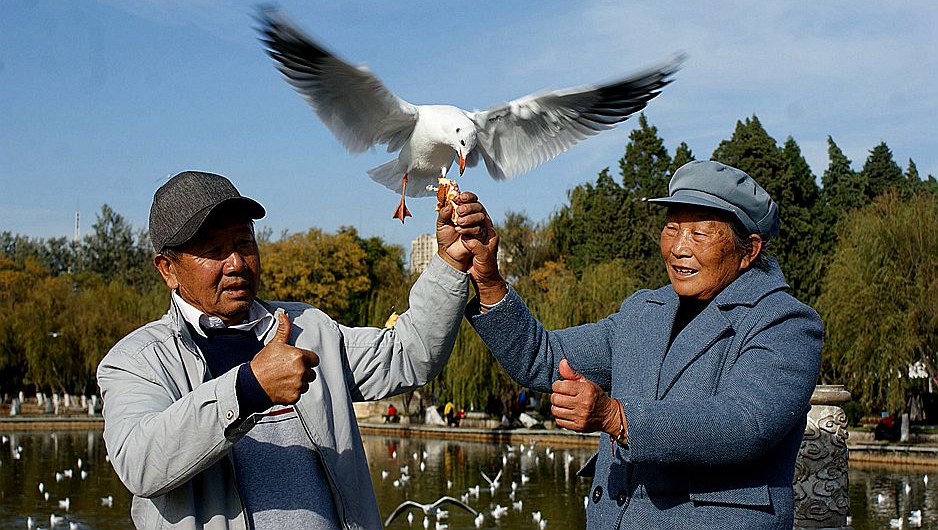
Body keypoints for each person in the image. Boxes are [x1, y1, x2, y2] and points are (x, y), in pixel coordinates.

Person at [97, 171, 490, 530]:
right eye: (213, 249)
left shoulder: (309, 329)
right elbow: (141, 463)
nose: (235, 262)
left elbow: (409, 354)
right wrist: (249, 388)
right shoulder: (136, 361)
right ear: (167, 269)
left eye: (243, 242)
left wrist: (450, 263)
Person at [461, 160, 823, 529]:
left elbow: (745, 424)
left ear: (749, 250)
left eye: (699, 234)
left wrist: (616, 417)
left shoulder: (784, 322)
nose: (679, 248)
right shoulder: (643, 312)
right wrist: (489, 280)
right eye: (671, 229)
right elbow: (541, 357)